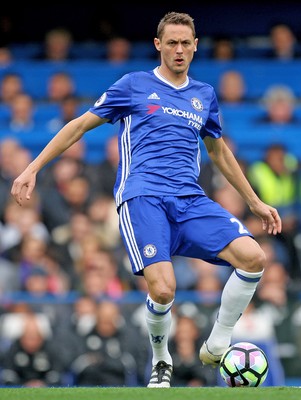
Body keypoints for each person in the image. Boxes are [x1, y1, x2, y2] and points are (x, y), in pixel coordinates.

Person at [11, 12, 282, 388]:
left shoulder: (204, 95)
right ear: (158, 45)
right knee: (164, 288)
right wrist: (32, 167)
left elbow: (219, 152)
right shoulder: (134, 85)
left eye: (186, 43)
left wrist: (253, 201)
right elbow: (78, 125)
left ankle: (219, 339)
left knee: (254, 258)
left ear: (195, 46)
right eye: (171, 42)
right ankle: (161, 360)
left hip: (189, 199)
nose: (179, 50)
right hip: (143, 197)